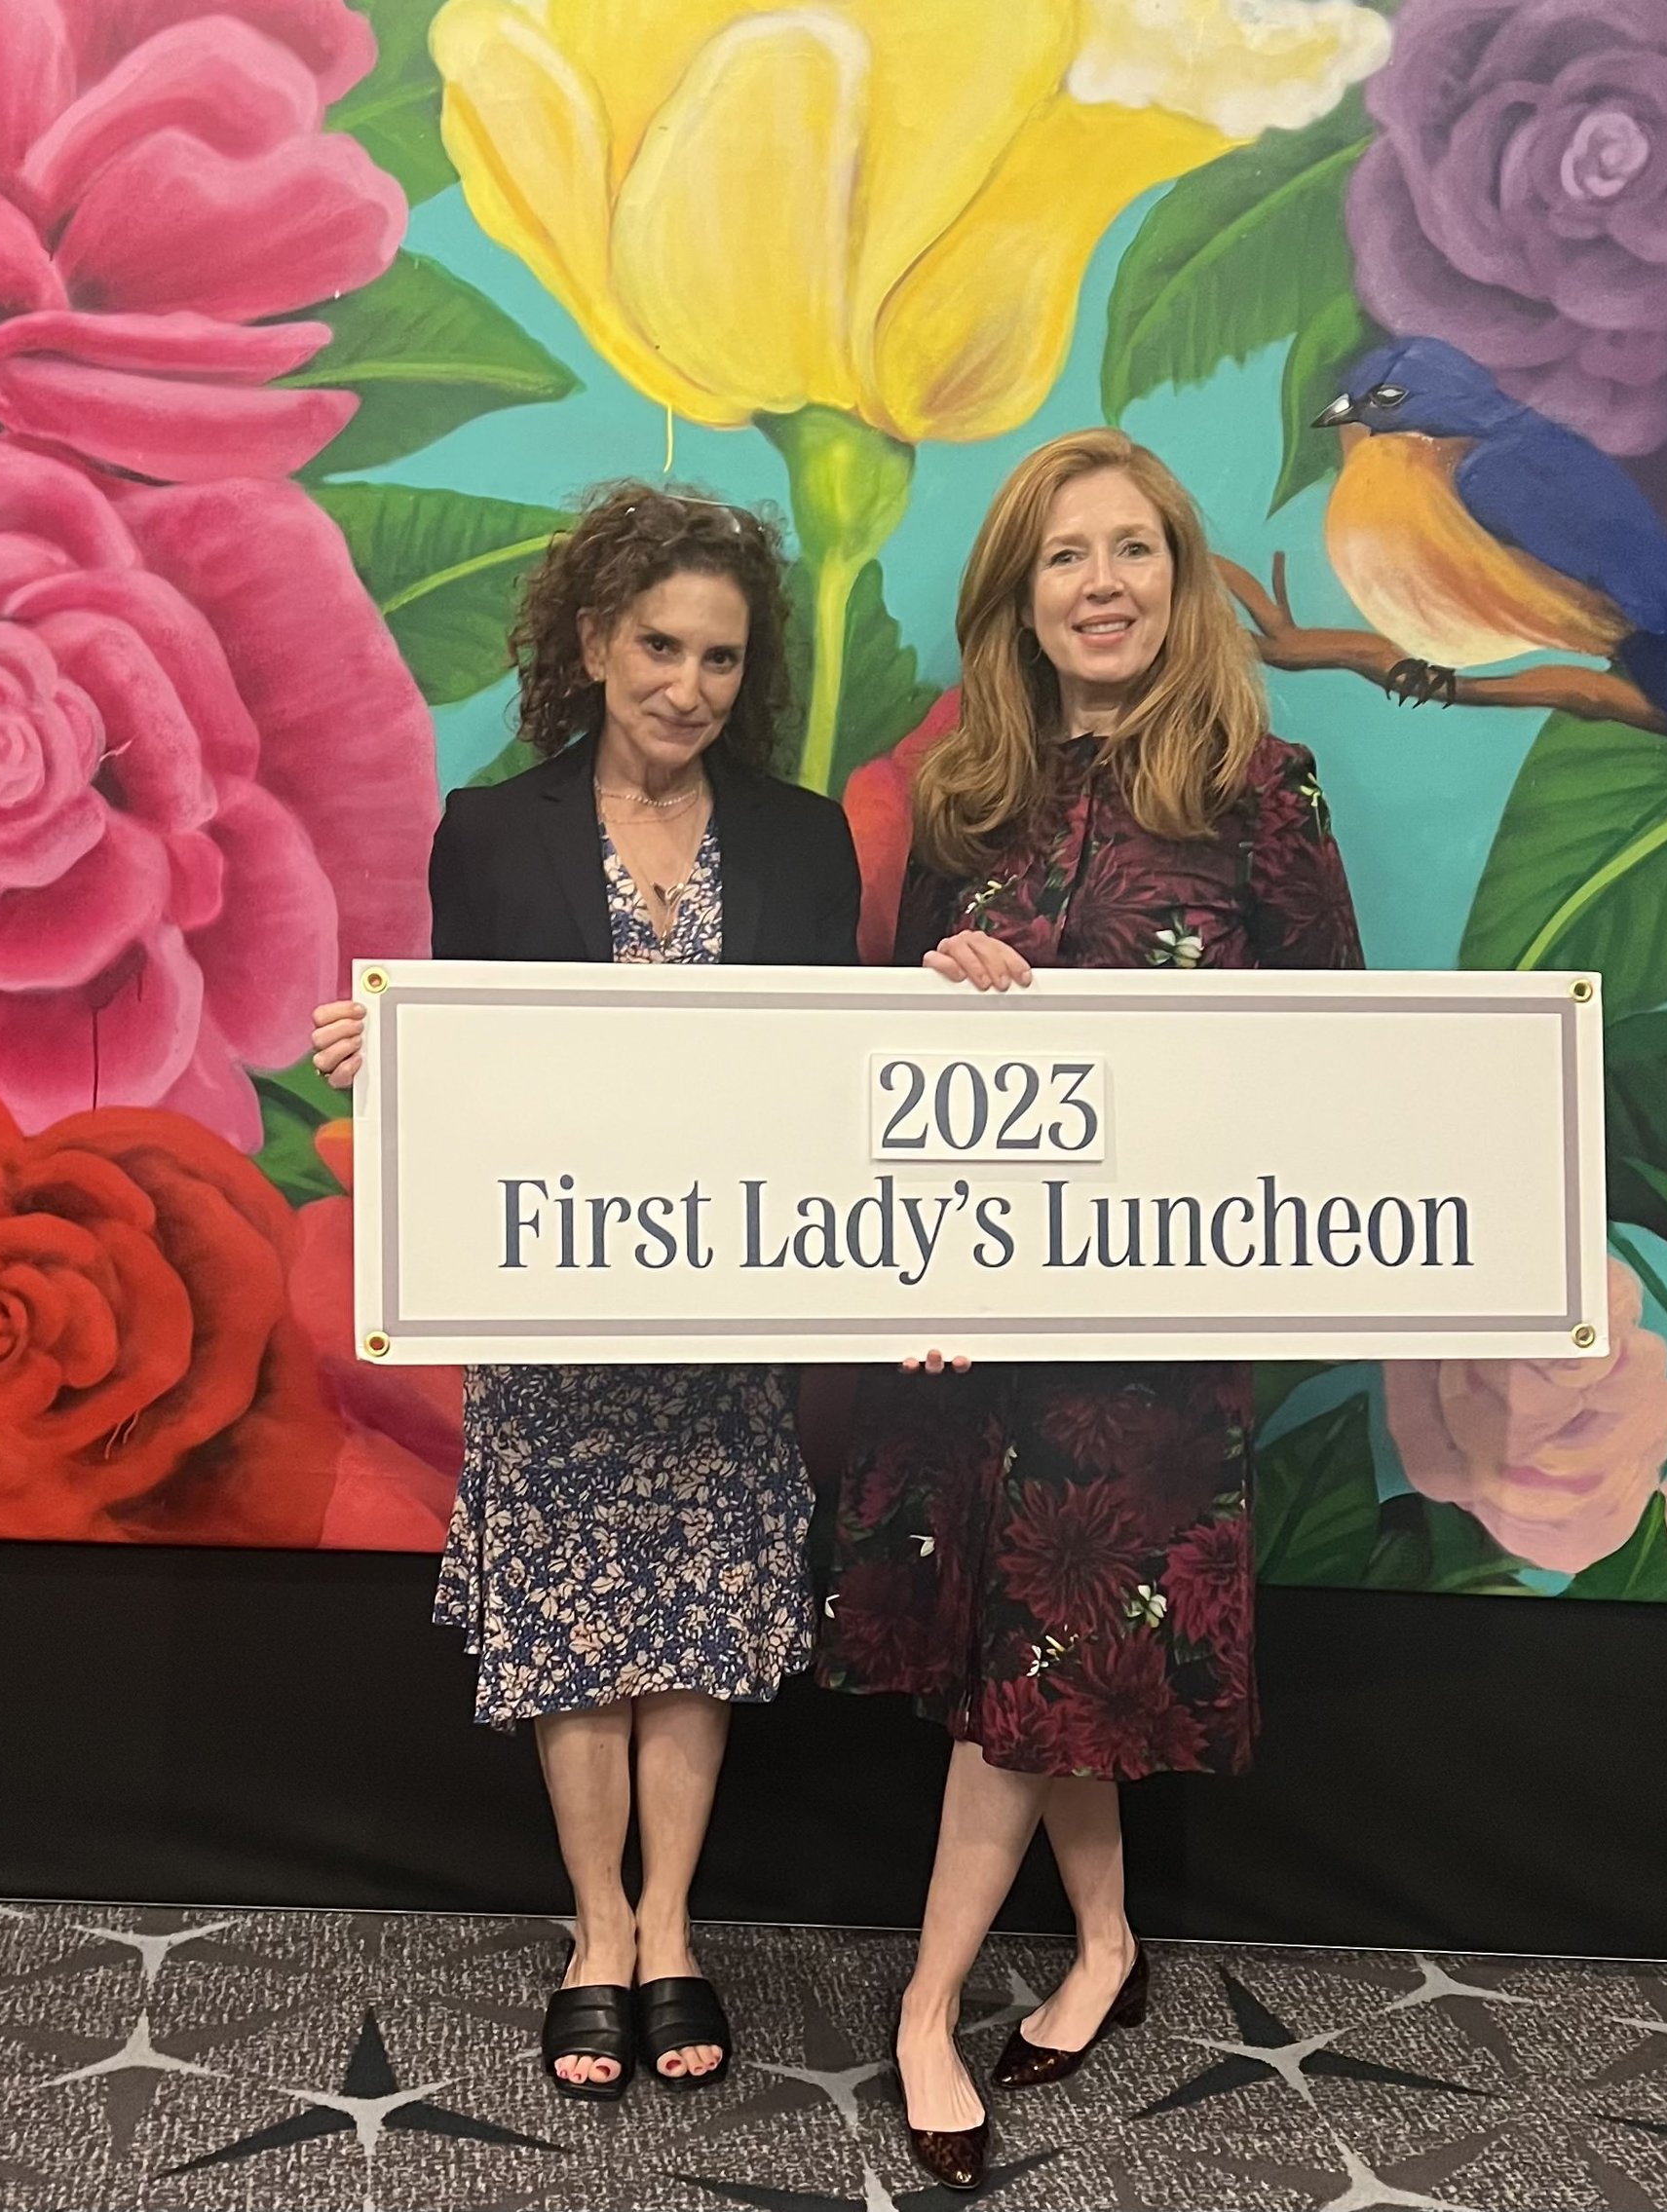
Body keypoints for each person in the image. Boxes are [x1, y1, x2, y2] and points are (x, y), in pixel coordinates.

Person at [816, 429, 1365, 2192]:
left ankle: (925, 2003)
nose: (1103, 582)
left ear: (1179, 580)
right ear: (1021, 598)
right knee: (1043, 1660)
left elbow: (1341, 1059)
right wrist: (942, 984)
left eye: (1134, 549)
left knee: (1037, 1667)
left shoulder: (1262, 794)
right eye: (1066, 557)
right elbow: (893, 1066)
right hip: (972, 1324)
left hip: (1149, 1341)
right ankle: (1112, 1945)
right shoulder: (967, 794)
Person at [311, 484, 860, 2104]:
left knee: (691, 1626)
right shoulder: (490, 830)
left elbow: (831, 1077)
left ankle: (676, 1924)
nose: (687, 684)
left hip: (725, 1315)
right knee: (574, 1637)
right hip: (558, 1311)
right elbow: (473, 1071)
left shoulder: (804, 836)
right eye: (657, 646)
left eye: (717, 657)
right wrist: (387, 1048)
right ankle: (597, 1933)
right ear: (593, 643)